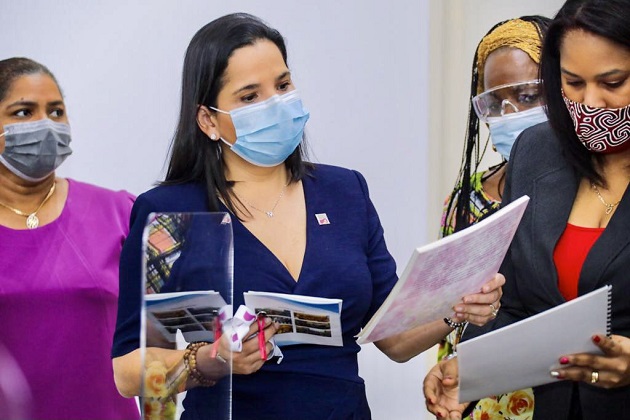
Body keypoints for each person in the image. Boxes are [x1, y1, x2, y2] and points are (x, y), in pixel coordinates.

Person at [111, 13, 505, 420]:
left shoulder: (345, 191)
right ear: (209, 120)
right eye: (250, 97)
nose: (276, 104)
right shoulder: (170, 212)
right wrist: (208, 360)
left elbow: (393, 338)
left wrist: (458, 307)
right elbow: (128, 372)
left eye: (282, 85)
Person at [424, 0, 630, 418]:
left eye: (613, 82)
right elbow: (518, 304)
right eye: (573, 82)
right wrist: (474, 370)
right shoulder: (537, 151)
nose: (591, 103)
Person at [0, 58, 139, 419]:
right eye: (23, 111)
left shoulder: (119, 212)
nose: (45, 124)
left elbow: (167, 333)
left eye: (56, 111)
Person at [437, 15, 551, 420]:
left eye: (526, 96)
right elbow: (451, 316)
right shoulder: (468, 198)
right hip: (478, 403)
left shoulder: (593, 194)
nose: (509, 113)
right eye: (494, 101)